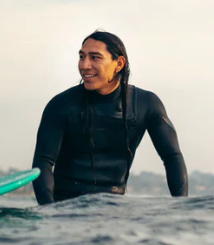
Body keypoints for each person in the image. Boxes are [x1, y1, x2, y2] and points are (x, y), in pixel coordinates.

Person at [31, 30, 188, 204]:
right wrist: (49, 212)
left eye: (95, 57)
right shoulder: (62, 105)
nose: (84, 65)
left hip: (113, 210)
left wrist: (181, 208)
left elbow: (172, 157)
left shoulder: (145, 104)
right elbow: (43, 162)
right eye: (82, 57)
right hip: (65, 208)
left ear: (119, 63)